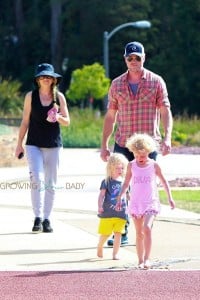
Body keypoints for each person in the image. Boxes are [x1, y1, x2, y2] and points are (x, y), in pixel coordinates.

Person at [100, 41, 173, 246]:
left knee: (146, 188)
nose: (134, 61)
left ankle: (145, 228)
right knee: (119, 187)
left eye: (137, 58)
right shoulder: (116, 84)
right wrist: (104, 144)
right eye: (130, 58)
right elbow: (110, 116)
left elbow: (165, 111)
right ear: (125, 59)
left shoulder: (156, 82)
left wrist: (167, 137)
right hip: (123, 143)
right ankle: (121, 229)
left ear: (144, 58)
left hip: (148, 146)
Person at [15, 63, 70, 233]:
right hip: (33, 144)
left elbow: (67, 121)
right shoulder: (30, 96)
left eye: (48, 76)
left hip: (53, 145)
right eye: (42, 76)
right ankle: (37, 217)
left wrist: (57, 117)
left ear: (53, 79)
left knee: (50, 184)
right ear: (38, 80)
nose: (45, 78)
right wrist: (19, 144)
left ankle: (47, 219)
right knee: (36, 180)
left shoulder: (59, 97)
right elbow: (25, 121)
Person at [116, 133, 175, 269]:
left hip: (150, 202)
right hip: (136, 204)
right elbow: (125, 184)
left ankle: (147, 259)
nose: (139, 158)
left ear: (149, 152)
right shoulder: (131, 165)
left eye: (142, 156)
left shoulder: (154, 165)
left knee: (147, 228)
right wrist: (120, 197)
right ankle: (140, 260)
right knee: (139, 233)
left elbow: (164, 181)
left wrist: (170, 198)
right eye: (136, 155)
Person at [97, 153, 129, 260]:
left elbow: (129, 196)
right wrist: (99, 207)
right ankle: (100, 246)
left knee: (118, 234)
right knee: (105, 234)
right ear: (111, 168)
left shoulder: (125, 182)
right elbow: (101, 196)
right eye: (117, 168)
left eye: (122, 168)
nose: (120, 170)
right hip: (107, 213)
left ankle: (115, 254)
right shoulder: (106, 182)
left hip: (121, 213)